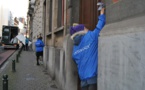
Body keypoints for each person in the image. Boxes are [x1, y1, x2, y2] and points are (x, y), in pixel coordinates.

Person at [70, 7, 106, 90]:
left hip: (83, 78)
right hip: (92, 76)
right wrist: (102, 14)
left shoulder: (75, 47)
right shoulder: (91, 37)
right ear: (82, 31)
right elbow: (99, 27)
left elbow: (74, 58)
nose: (87, 28)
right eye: (85, 28)